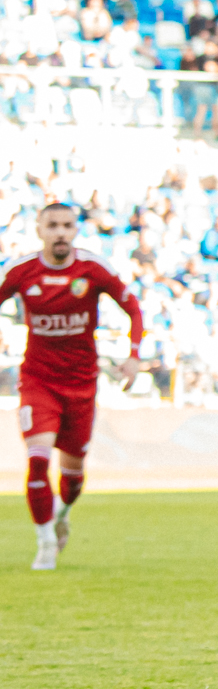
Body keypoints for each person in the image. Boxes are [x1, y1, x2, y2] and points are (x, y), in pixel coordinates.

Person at [0, 204, 144, 571]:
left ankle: (61, 514)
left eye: (67, 225)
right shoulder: (21, 271)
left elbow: (133, 308)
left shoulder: (93, 269)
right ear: (39, 230)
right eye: (52, 226)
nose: (60, 232)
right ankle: (45, 542)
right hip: (38, 381)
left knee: (73, 476)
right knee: (37, 459)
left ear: (76, 230)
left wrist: (133, 355)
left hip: (81, 384)